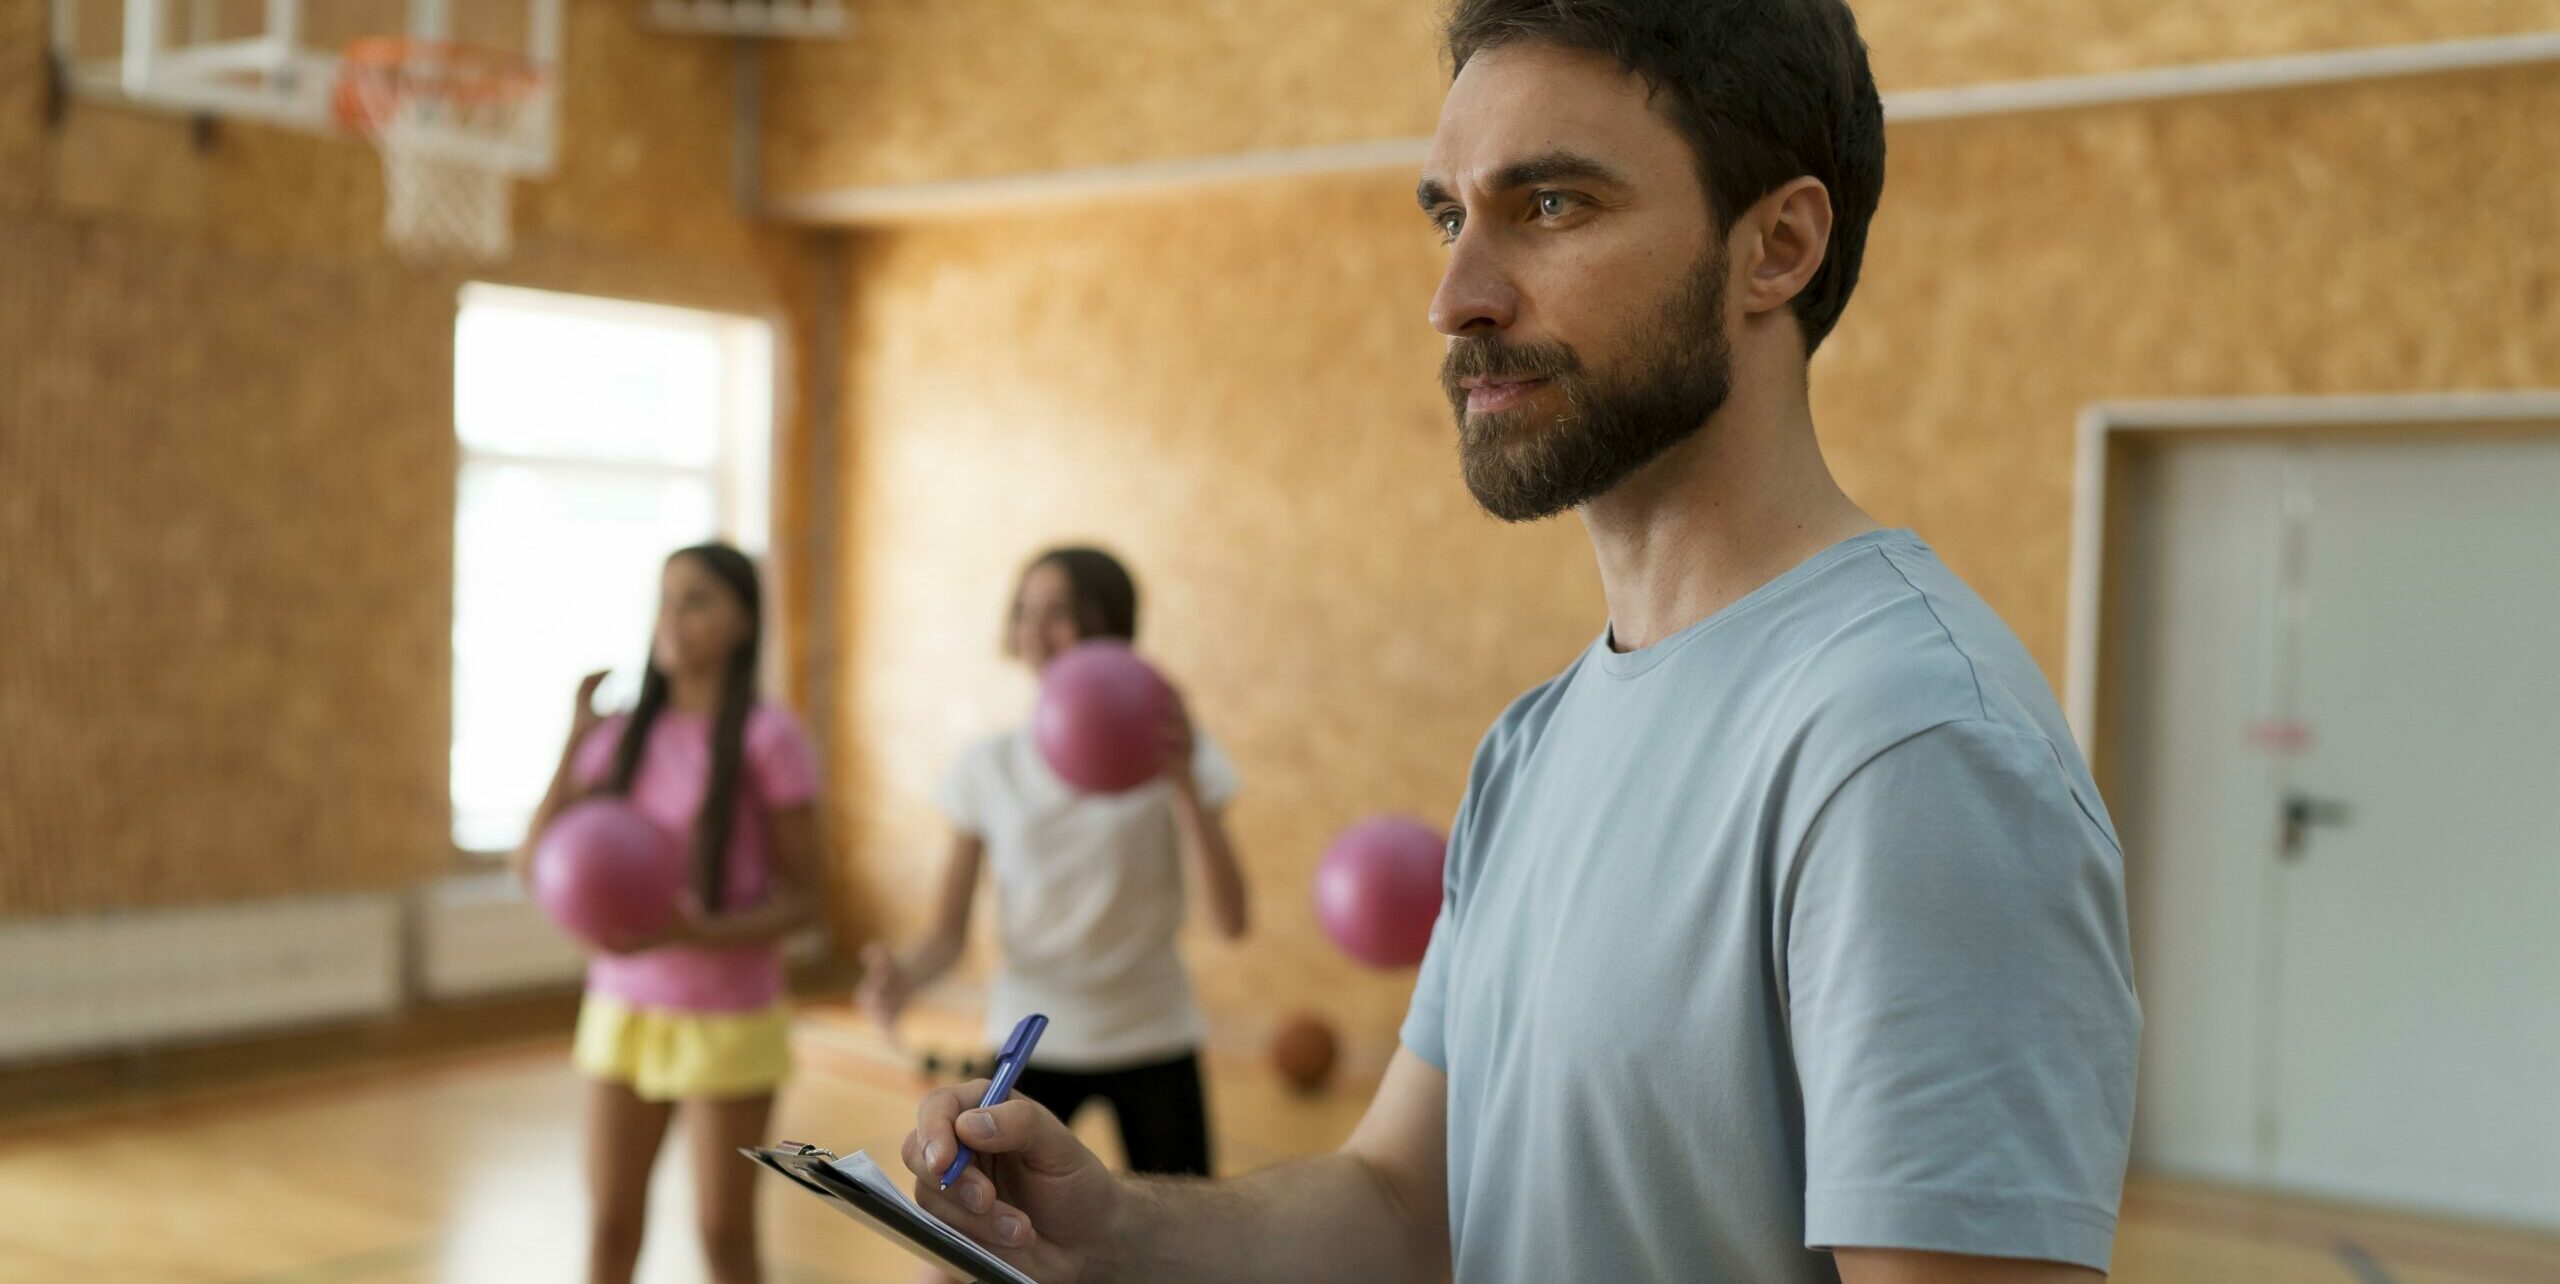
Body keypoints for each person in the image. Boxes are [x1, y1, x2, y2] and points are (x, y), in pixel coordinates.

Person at [889, 2, 2141, 1282]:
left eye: (1550, 206)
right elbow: (1398, 1203)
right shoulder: (1533, 744)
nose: (1456, 298)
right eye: (1449, 215)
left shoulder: (1911, 748)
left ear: (1777, 246)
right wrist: (1114, 1228)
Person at [861, 546, 1248, 1182]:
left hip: (1153, 1034)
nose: (1036, 631)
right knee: (975, 1244)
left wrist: (1181, 781)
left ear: (1113, 623)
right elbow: (947, 933)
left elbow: (1230, 920)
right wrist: (900, 977)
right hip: (1030, 1042)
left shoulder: (1175, 751)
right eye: (1024, 611)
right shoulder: (989, 766)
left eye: (1061, 612)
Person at [515, 542, 824, 1284]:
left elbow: (808, 900)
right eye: (665, 599)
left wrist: (700, 931)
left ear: (744, 622)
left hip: (731, 1017)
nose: (673, 619)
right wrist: (573, 736)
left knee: (724, 1238)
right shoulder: (620, 735)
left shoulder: (768, 737)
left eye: (697, 600)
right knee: (611, 1229)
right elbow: (531, 863)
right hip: (622, 1010)